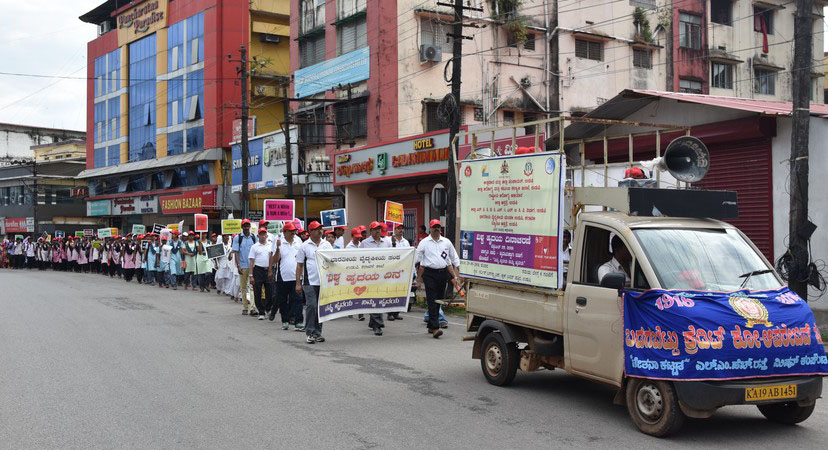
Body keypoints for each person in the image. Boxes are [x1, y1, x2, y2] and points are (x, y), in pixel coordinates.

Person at [416, 219, 461, 339]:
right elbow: (417, 258)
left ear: (440, 229)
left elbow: (453, 257)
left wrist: (458, 270)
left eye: (438, 227)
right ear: (430, 229)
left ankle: (431, 325)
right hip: (429, 273)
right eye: (434, 227)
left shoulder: (446, 242)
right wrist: (417, 278)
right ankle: (436, 328)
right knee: (432, 299)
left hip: (443, 274)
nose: (436, 229)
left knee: (439, 300)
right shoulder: (424, 242)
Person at [295, 221, 331, 344]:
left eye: (320, 229)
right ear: (310, 232)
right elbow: (299, 265)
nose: (320, 231)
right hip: (309, 281)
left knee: (320, 308)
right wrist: (298, 283)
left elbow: (334, 260)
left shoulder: (326, 245)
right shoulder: (304, 246)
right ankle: (309, 332)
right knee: (311, 305)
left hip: (324, 281)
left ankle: (317, 333)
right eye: (316, 229)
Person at [359, 221, 390, 336]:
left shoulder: (386, 242)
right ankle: (378, 325)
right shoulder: (364, 243)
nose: (378, 231)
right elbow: (359, 259)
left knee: (380, 298)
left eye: (379, 229)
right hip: (370, 276)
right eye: (375, 229)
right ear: (371, 231)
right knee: (374, 297)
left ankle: (373, 322)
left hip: (383, 275)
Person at [271, 221, 303, 330]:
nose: (293, 234)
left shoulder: (298, 242)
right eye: (290, 232)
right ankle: (285, 320)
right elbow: (275, 260)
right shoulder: (279, 242)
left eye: (294, 231)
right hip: (283, 276)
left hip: (296, 276)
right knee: (283, 300)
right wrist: (278, 249)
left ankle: (298, 321)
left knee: (297, 300)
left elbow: (302, 258)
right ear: (285, 232)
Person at [232, 219, 258, 315]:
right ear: (242, 227)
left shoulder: (254, 237)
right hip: (242, 265)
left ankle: (252, 308)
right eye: (244, 226)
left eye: (247, 226)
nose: (246, 228)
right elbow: (236, 252)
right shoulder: (238, 238)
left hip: (252, 266)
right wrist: (238, 265)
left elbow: (257, 252)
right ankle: (245, 307)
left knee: (252, 286)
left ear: (249, 227)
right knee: (243, 287)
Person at [385, 223, 411, 321]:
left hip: (402, 269)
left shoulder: (406, 242)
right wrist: (392, 242)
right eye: (398, 228)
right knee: (391, 291)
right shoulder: (388, 240)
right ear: (394, 229)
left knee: (399, 291)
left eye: (402, 229)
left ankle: (396, 312)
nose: (400, 230)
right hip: (392, 270)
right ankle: (390, 313)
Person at [248, 227, 273, 320]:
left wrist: (270, 270)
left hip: (268, 270)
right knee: (257, 291)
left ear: (267, 235)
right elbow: (251, 261)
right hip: (258, 270)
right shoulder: (254, 247)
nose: (263, 236)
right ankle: (261, 311)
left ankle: (268, 308)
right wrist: (251, 275)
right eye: (261, 234)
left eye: (264, 234)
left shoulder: (270, 245)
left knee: (270, 291)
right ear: (258, 236)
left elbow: (272, 258)